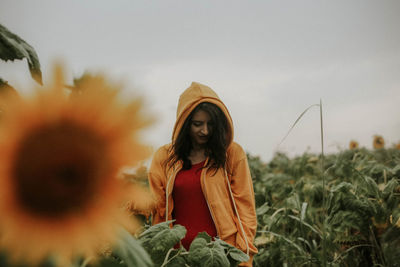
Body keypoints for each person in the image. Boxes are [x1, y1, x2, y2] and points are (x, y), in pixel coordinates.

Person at [148, 82, 258, 266]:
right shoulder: (163, 157)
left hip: (220, 254)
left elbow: (245, 209)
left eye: (211, 124)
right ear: (184, 123)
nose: (205, 131)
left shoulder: (231, 154)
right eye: (197, 124)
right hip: (177, 257)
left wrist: (244, 255)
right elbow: (157, 210)